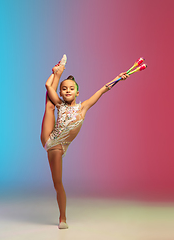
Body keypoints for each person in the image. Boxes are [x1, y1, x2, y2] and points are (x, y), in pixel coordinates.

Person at [40, 55, 129, 229]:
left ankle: (62, 217)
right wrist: (54, 74)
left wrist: (119, 78)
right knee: (49, 102)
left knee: (58, 183)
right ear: (61, 92)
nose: (67, 91)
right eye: (64, 88)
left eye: (71, 88)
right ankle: (59, 71)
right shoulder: (60, 104)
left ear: (77, 93)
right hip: (51, 141)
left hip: (61, 145)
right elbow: (47, 86)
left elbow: (103, 89)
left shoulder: (83, 107)